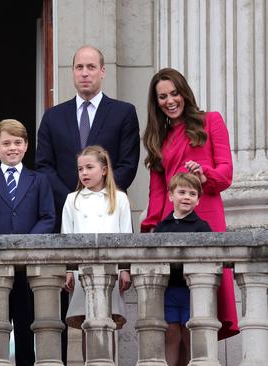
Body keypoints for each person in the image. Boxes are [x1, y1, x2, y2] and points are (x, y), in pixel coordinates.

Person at [35, 45, 139, 362]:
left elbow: (128, 163)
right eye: (79, 67)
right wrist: (76, 193)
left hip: (107, 218)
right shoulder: (54, 117)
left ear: (102, 71)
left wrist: (99, 191)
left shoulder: (123, 112)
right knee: (78, 316)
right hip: (73, 222)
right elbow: (43, 165)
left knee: (111, 316)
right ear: (73, 72)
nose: (84, 73)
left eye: (91, 67)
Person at [140, 67, 238, 341]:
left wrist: (205, 173)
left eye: (174, 93)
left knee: (205, 308)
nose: (170, 101)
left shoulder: (211, 121)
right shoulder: (158, 137)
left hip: (206, 217)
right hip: (172, 224)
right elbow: (157, 193)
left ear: (184, 93)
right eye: (162, 96)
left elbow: (226, 174)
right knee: (174, 315)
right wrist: (150, 227)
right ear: (156, 102)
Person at [0, 119, 55, 365]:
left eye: (18, 142)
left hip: (29, 268)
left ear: (26, 146)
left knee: (27, 325)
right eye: (6, 143)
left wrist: (27, 243)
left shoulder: (39, 180)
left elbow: (48, 217)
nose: (12, 148)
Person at [61, 145, 132, 361]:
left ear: (103, 169)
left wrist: (125, 269)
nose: (84, 173)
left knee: (107, 322)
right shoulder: (72, 199)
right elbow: (67, 237)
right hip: (83, 272)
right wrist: (69, 270)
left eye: (89, 167)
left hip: (111, 270)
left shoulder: (119, 199)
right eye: (80, 169)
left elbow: (126, 235)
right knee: (86, 324)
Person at [154, 172, 212, 366]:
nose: (187, 196)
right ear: (171, 196)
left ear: (198, 200)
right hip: (168, 290)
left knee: (190, 338)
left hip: (192, 292)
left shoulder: (202, 227)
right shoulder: (162, 227)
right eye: (182, 192)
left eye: (192, 193)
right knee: (170, 337)